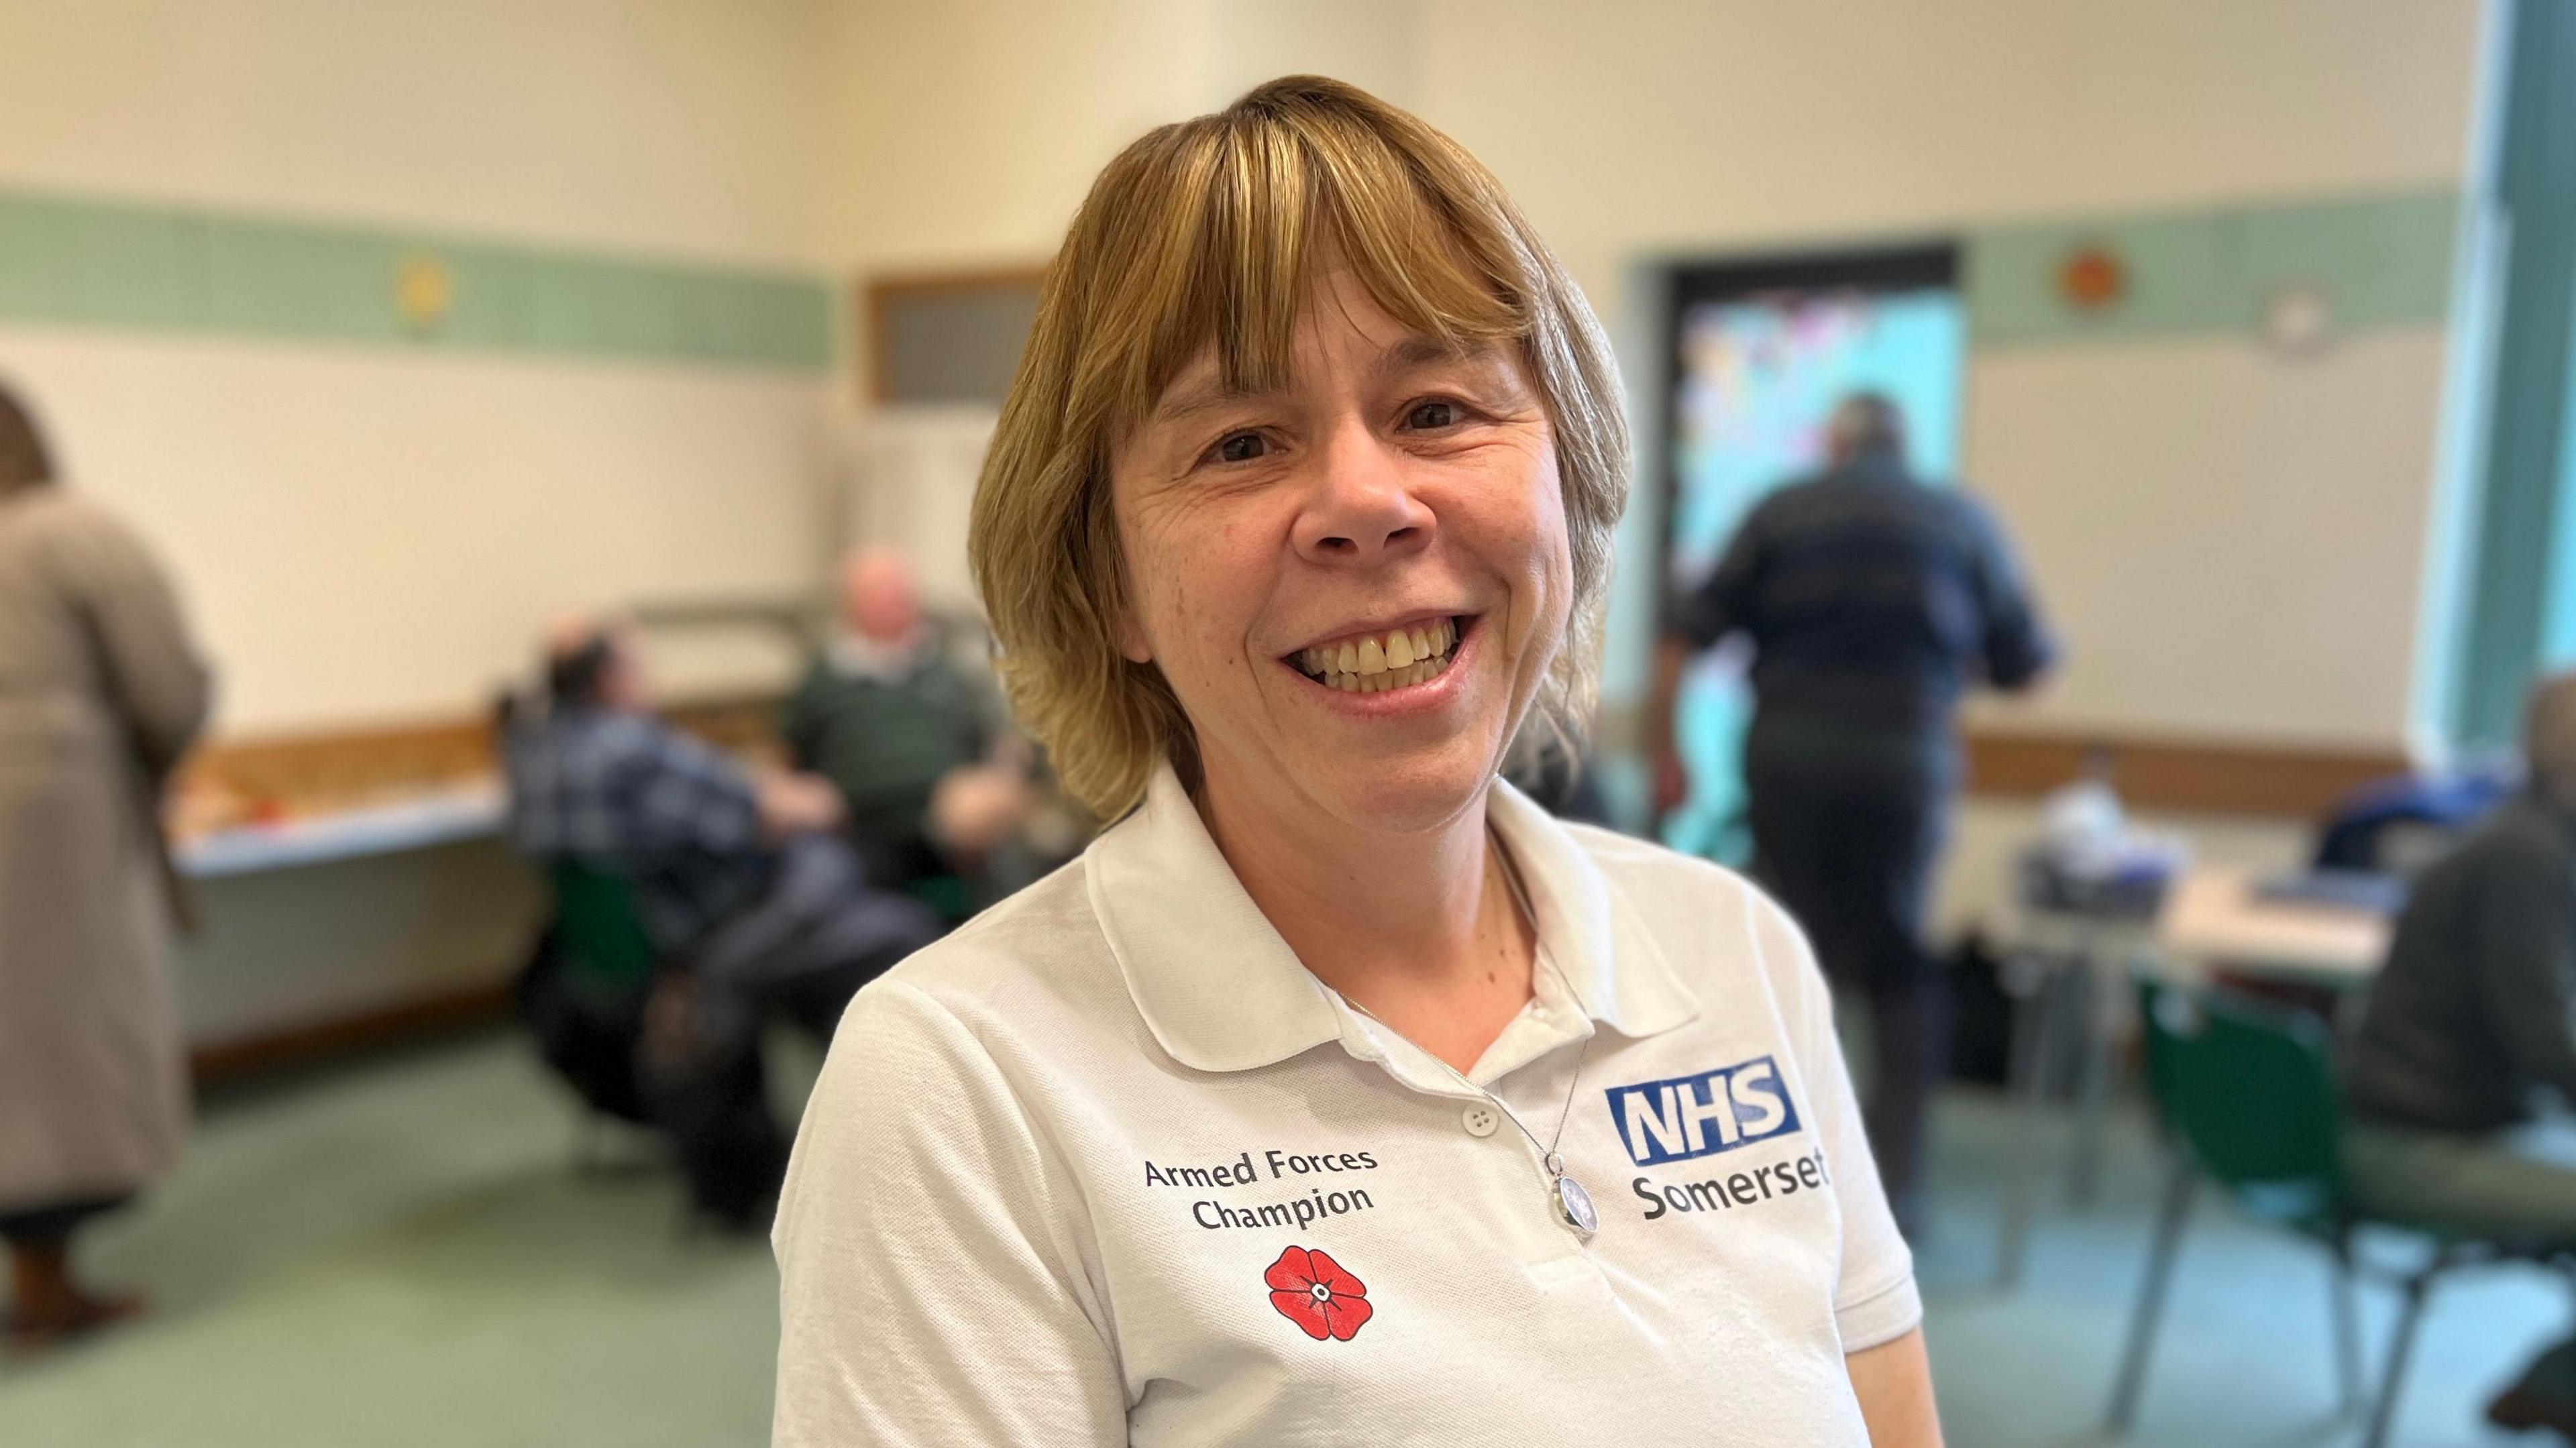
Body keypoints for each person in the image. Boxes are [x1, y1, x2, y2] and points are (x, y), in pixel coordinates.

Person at [773, 76, 1941, 1447]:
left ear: (1564, 480)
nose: (1368, 502)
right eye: (1242, 441)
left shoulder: (1735, 952)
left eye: (1440, 407)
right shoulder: (963, 1087)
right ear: (1113, 589)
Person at [1651, 392, 2055, 1237]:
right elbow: (2028, 664)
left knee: (1793, 956)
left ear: (1834, 446)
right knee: (1903, 968)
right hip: (1904, 764)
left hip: (1790, 755)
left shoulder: (1782, 511)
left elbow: (1686, 635)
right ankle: (1897, 1195)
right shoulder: (1958, 521)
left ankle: (1775, 1181)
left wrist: (1668, 752)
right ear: (1906, 446)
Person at [504, 618, 941, 1229]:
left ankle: (814, 1144)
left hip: (625, 953)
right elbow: (764, 810)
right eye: (636, 664)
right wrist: (810, 798)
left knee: (838, 921)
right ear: (610, 679)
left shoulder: (532, 747)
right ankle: (881, 1145)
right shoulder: (632, 747)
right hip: (708, 946)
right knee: (896, 928)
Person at [0, 384, 213, 1352]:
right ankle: (46, 1287)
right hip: (51, 838)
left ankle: (42, 1279)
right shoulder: (68, 534)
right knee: (56, 1062)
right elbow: (167, 682)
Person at [2343, 669, 2576, 1439]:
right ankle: (2556, 1384)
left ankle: (2557, 1383)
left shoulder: (2529, 834)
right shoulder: (2527, 858)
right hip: (2412, 1140)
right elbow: (2548, 1044)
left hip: (2441, 1116)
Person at [780, 548, 1029, 907]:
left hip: (952, 829)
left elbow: (1005, 745)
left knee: (1009, 866)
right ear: (851, 605)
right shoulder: (821, 682)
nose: (897, 601)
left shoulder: (951, 671)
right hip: (857, 832)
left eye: (902, 591)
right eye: (881, 593)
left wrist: (996, 785)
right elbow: (785, 761)